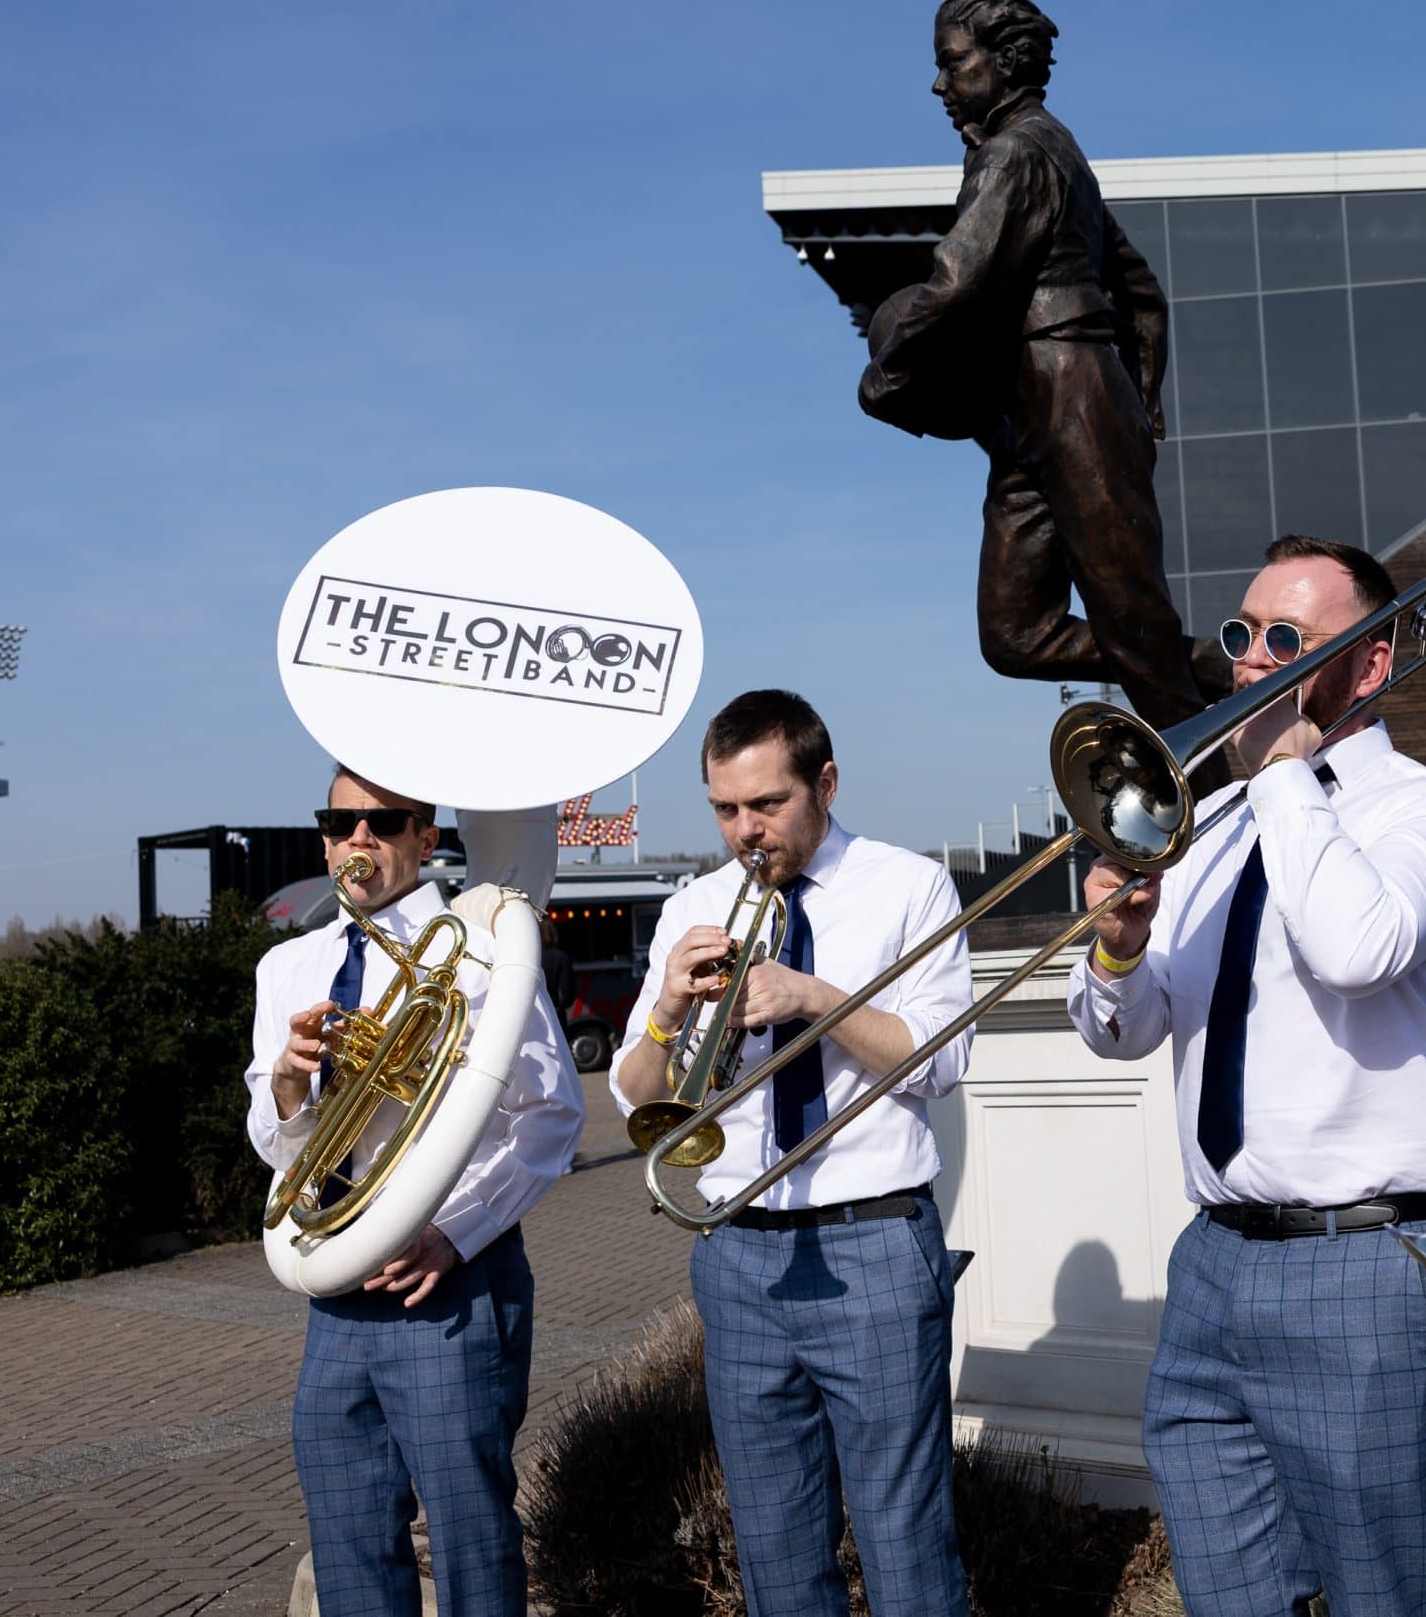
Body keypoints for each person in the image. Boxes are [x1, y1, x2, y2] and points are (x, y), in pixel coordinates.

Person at [1067, 534, 1426, 1615]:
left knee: (1379, 1593)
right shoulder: (1207, 828)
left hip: (1367, 1259)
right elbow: (1124, 1030)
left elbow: (1357, 948)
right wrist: (1116, 943)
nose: (1251, 659)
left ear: (1371, 662)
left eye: (1287, 638)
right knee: (1228, 1592)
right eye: (1241, 634)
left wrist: (1286, 773)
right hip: (1213, 1262)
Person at [611, 691, 975, 1617]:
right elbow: (640, 1095)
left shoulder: (909, 886)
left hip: (872, 1247)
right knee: (773, 1546)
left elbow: (940, 1063)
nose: (746, 832)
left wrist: (815, 998)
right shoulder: (693, 906)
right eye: (726, 810)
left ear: (825, 783)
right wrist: (665, 1006)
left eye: (766, 805)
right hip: (737, 1253)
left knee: (905, 1541)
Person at [246, 767, 583, 1617]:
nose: (358, 841)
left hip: (448, 1283)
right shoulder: (286, 966)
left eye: (384, 824)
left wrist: (453, 1233)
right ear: (323, 838)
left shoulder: (484, 948)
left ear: (426, 840)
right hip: (335, 1291)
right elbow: (276, 1141)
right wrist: (289, 1085)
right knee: (349, 1536)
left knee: (471, 1543)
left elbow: (551, 1117)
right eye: (340, 823)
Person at [858, 0, 1221, 730]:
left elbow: (954, 287)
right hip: (1036, 410)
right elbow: (1145, 296)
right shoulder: (1057, 152)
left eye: (952, 65)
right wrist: (1141, 400)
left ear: (1005, 63)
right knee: (1016, 634)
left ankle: (1213, 796)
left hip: (1069, 389)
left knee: (1129, 612)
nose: (939, 85)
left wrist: (885, 375)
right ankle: (1215, 665)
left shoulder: (1017, 152)